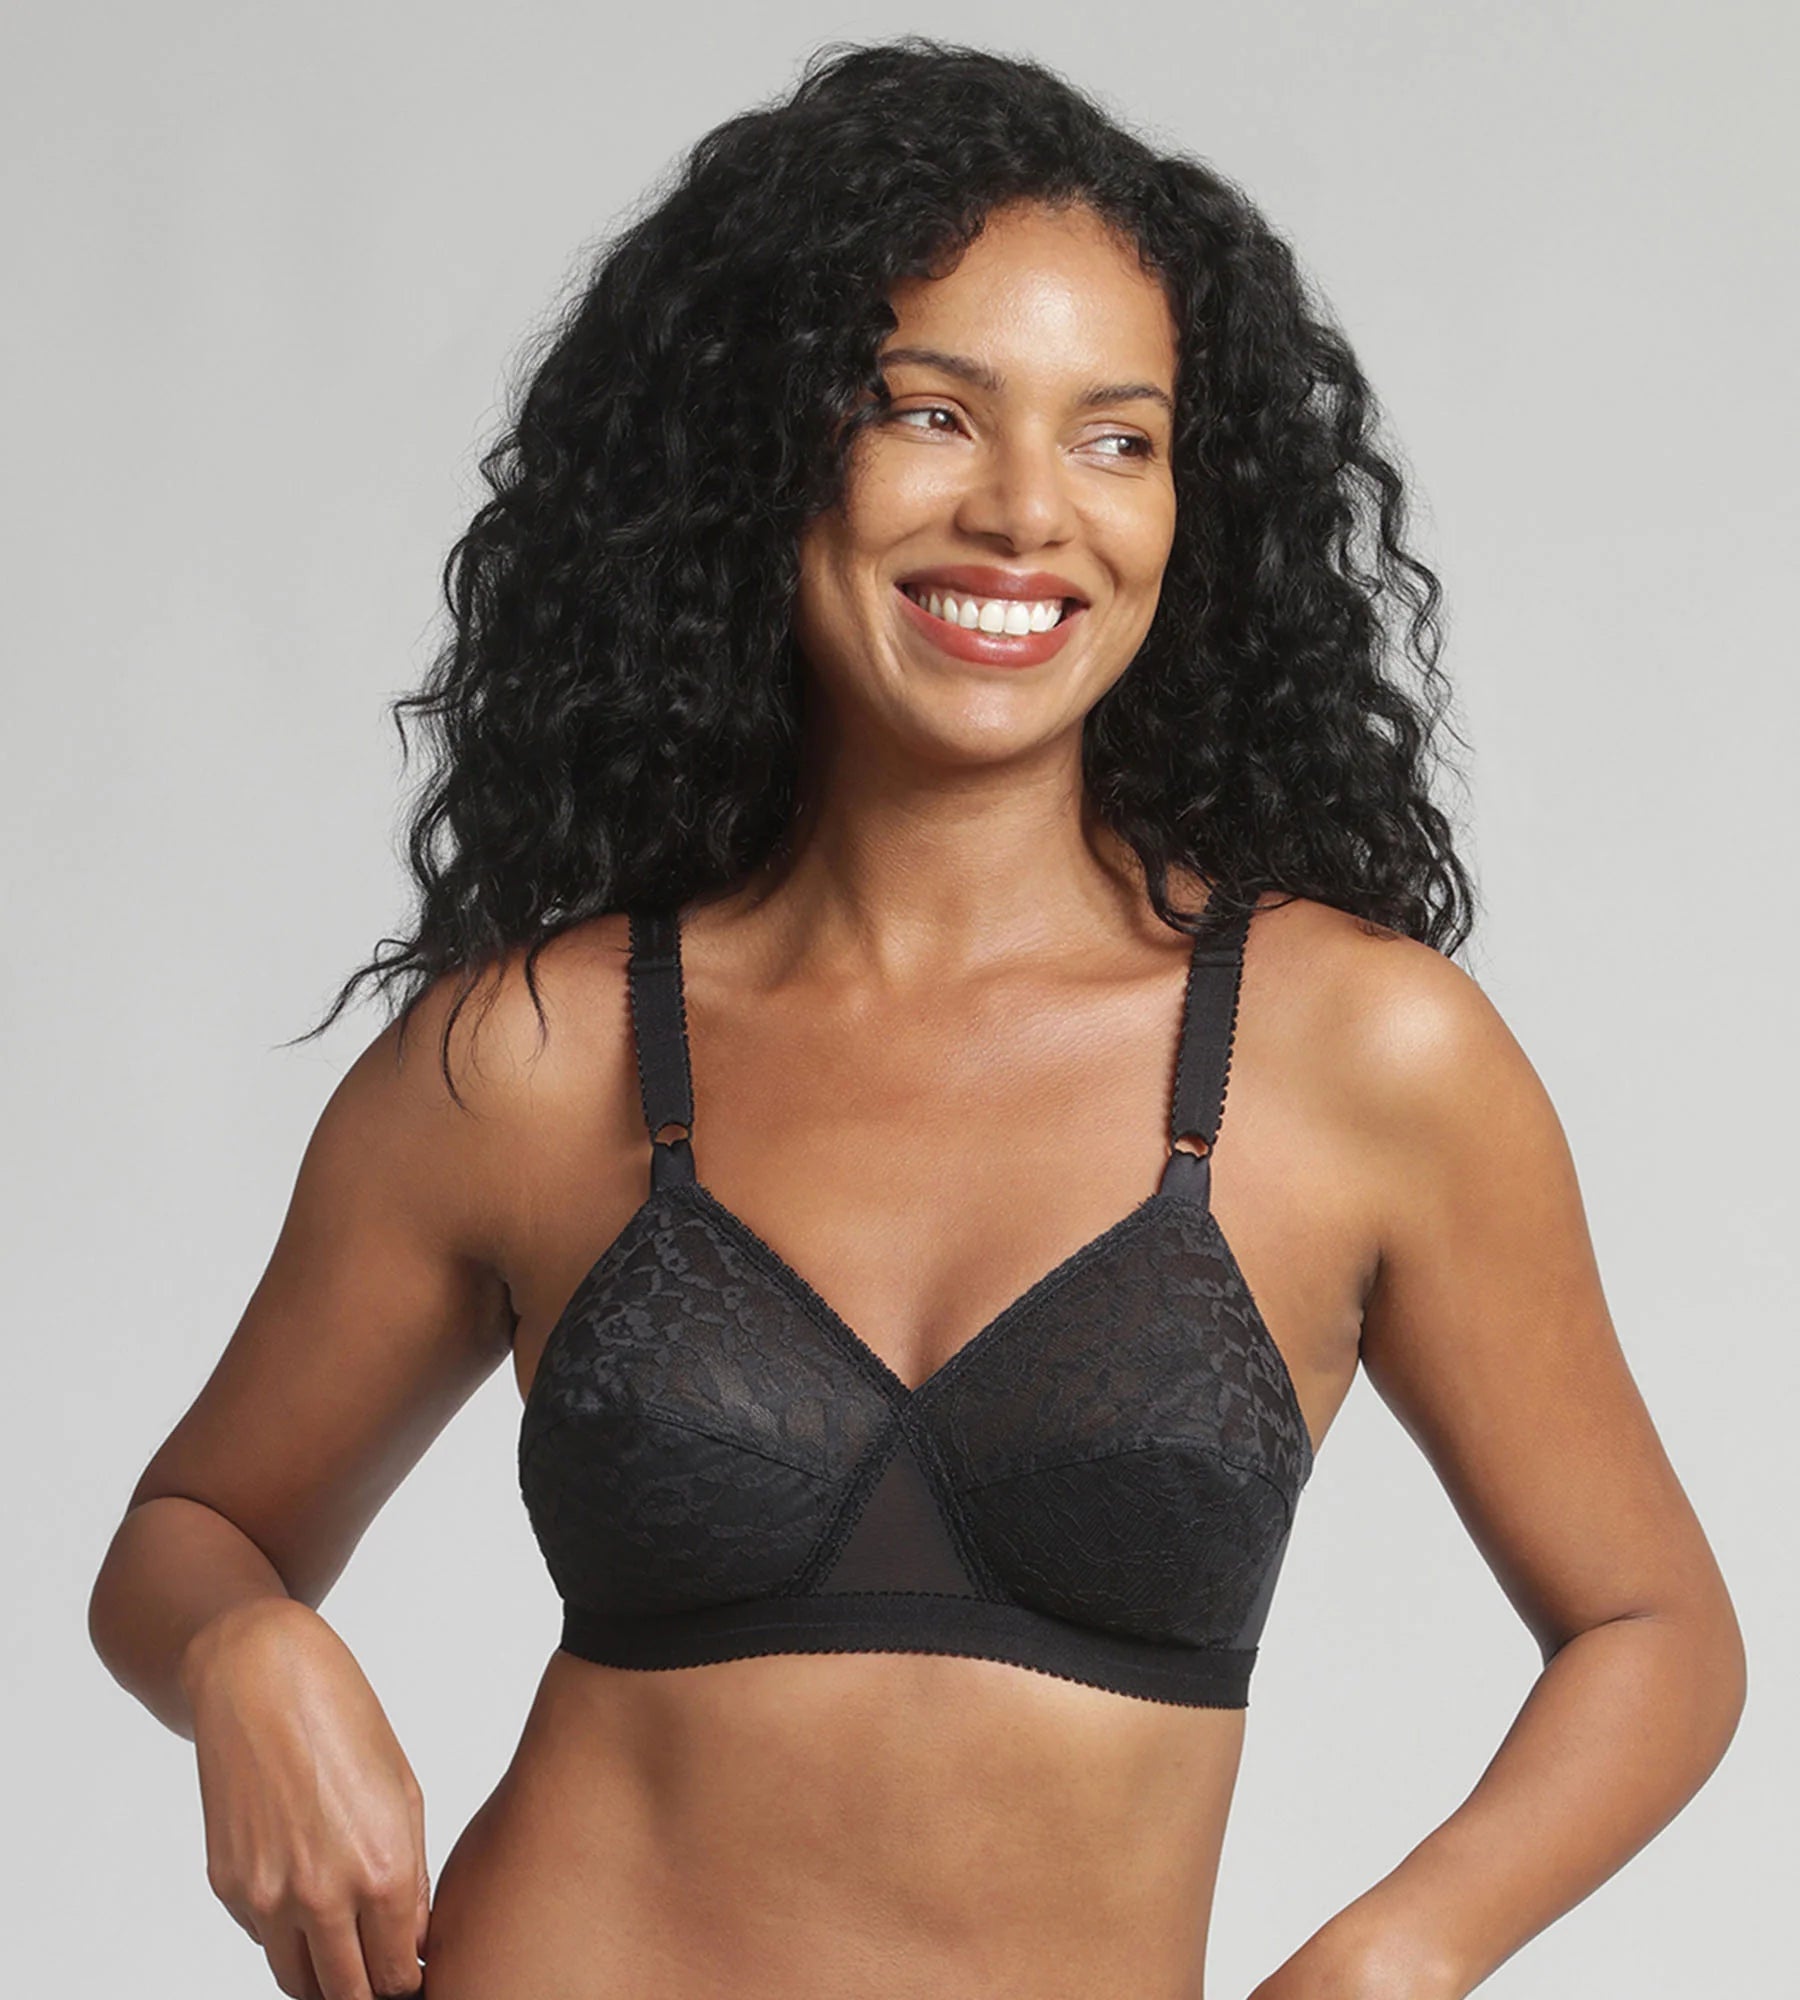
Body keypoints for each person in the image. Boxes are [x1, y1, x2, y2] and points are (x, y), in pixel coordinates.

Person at [86, 35, 1745, 2000]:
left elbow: (1654, 1632)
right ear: (761, 450)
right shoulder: (540, 1056)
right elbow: (194, 1526)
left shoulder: (1354, 1056)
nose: (1029, 511)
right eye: (930, 413)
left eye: (1118, 439)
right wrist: (245, 1649)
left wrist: (1397, 1955)